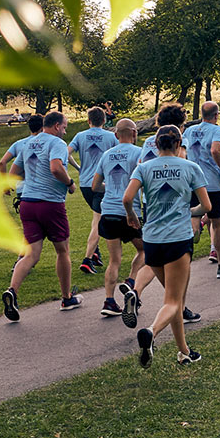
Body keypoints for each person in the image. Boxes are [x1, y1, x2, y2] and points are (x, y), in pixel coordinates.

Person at [125, 125, 207, 367]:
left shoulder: (144, 167)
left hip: (152, 240)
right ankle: (151, 332)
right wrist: (189, 211)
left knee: (174, 299)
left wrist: (131, 215)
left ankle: (184, 352)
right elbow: (207, 206)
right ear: (179, 143)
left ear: (156, 144)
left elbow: (127, 198)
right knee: (173, 301)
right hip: (178, 238)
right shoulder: (191, 167)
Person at [2, 111, 83, 321]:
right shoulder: (56, 143)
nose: (65, 131)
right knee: (62, 251)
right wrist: (70, 184)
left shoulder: (28, 143)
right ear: (56, 126)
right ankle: (67, 298)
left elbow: (13, 173)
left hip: (28, 203)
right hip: (50, 203)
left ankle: (12, 291)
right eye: (64, 127)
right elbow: (56, 168)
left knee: (30, 254)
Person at [127, 103, 201, 326]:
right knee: (179, 258)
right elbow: (183, 161)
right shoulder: (178, 138)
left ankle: (136, 291)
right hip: (175, 202)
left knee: (154, 256)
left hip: (151, 200)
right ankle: (180, 307)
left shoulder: (150, 141)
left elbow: (140, 166)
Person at [91, 118, 143, 318]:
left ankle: (109, 300)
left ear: (116, 135)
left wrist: (111, 189)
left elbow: (95, 186)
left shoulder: (106, 155)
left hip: (109, 212)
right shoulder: (138, 154)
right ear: (134, 133)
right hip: (129, 212)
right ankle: (131, 281)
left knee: (114, 260)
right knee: (145, 250)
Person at [183, 101, 220, 279]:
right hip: (212, 182)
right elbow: (215, 150)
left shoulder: (189, 130)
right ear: (216, 115)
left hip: (192, 183)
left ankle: (192, 237)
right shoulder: (218, 130)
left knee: (194, 216)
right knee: (219, 224)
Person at [69, 107, 119, 275]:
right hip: (102, 184)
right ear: (104, 121)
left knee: (97, 216)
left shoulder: (80, 136)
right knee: (97, 222)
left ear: (88, 120)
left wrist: (78, 167)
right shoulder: (111, 137)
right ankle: (87, 259)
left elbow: (66, 153)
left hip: (85, 184)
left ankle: (96, 253)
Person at [0, 114, 44, 211]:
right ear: (42, 127)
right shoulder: (45, 142)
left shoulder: (18, 144)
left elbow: (2, 162)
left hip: (21, 188)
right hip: (41, 188)